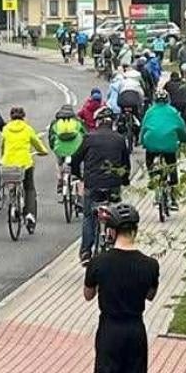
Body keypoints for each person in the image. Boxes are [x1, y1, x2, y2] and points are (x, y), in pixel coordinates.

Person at [84, 203, 159, 373]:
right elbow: (151, 295)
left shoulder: (100, 263)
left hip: (110, 330)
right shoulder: (149, 265)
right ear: (136, 230)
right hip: (136, 330)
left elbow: (88, 295)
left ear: (112, 231)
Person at [71, 107, 131, 261]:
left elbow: (76, 159)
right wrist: (124, 179)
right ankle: (117, 246)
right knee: (117, 213)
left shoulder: (88, 137)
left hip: (93, 184)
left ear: (97, 122)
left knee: (89, 216)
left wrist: (78, 175)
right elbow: (126, 163)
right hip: (113, 184)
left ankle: (85, 251)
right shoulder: (119, 139)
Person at [0, 106, 48, 232]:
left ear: (11, 117)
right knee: (29, 188)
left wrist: (3, 158)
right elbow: (37, 143)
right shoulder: (27, 129)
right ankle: (30, 214)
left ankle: (13, 204)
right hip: (24, 163)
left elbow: (2, 146)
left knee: (11, 182)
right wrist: (43, 152)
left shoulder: (5, 129)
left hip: (8, 163)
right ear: (23, 117)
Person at [140, 89, 186, 202]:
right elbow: (182, 128)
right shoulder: (173, 111)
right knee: (171, 165)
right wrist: (183, 140)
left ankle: (152, 179)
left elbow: (143, 128)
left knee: (150, 161)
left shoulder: (150, 112)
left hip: (152, 143)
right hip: (169, 144)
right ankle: (173, 191)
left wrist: (142, 141)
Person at [47, 104, 86, 198]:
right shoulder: (78, 122)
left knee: (59, 163)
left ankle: (60, 179)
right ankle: (80, 196)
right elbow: (85, 135)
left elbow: (51, 138)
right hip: (76, 150)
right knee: (80, 174)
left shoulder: (55, 123)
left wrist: (54, 148)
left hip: (60, 150)